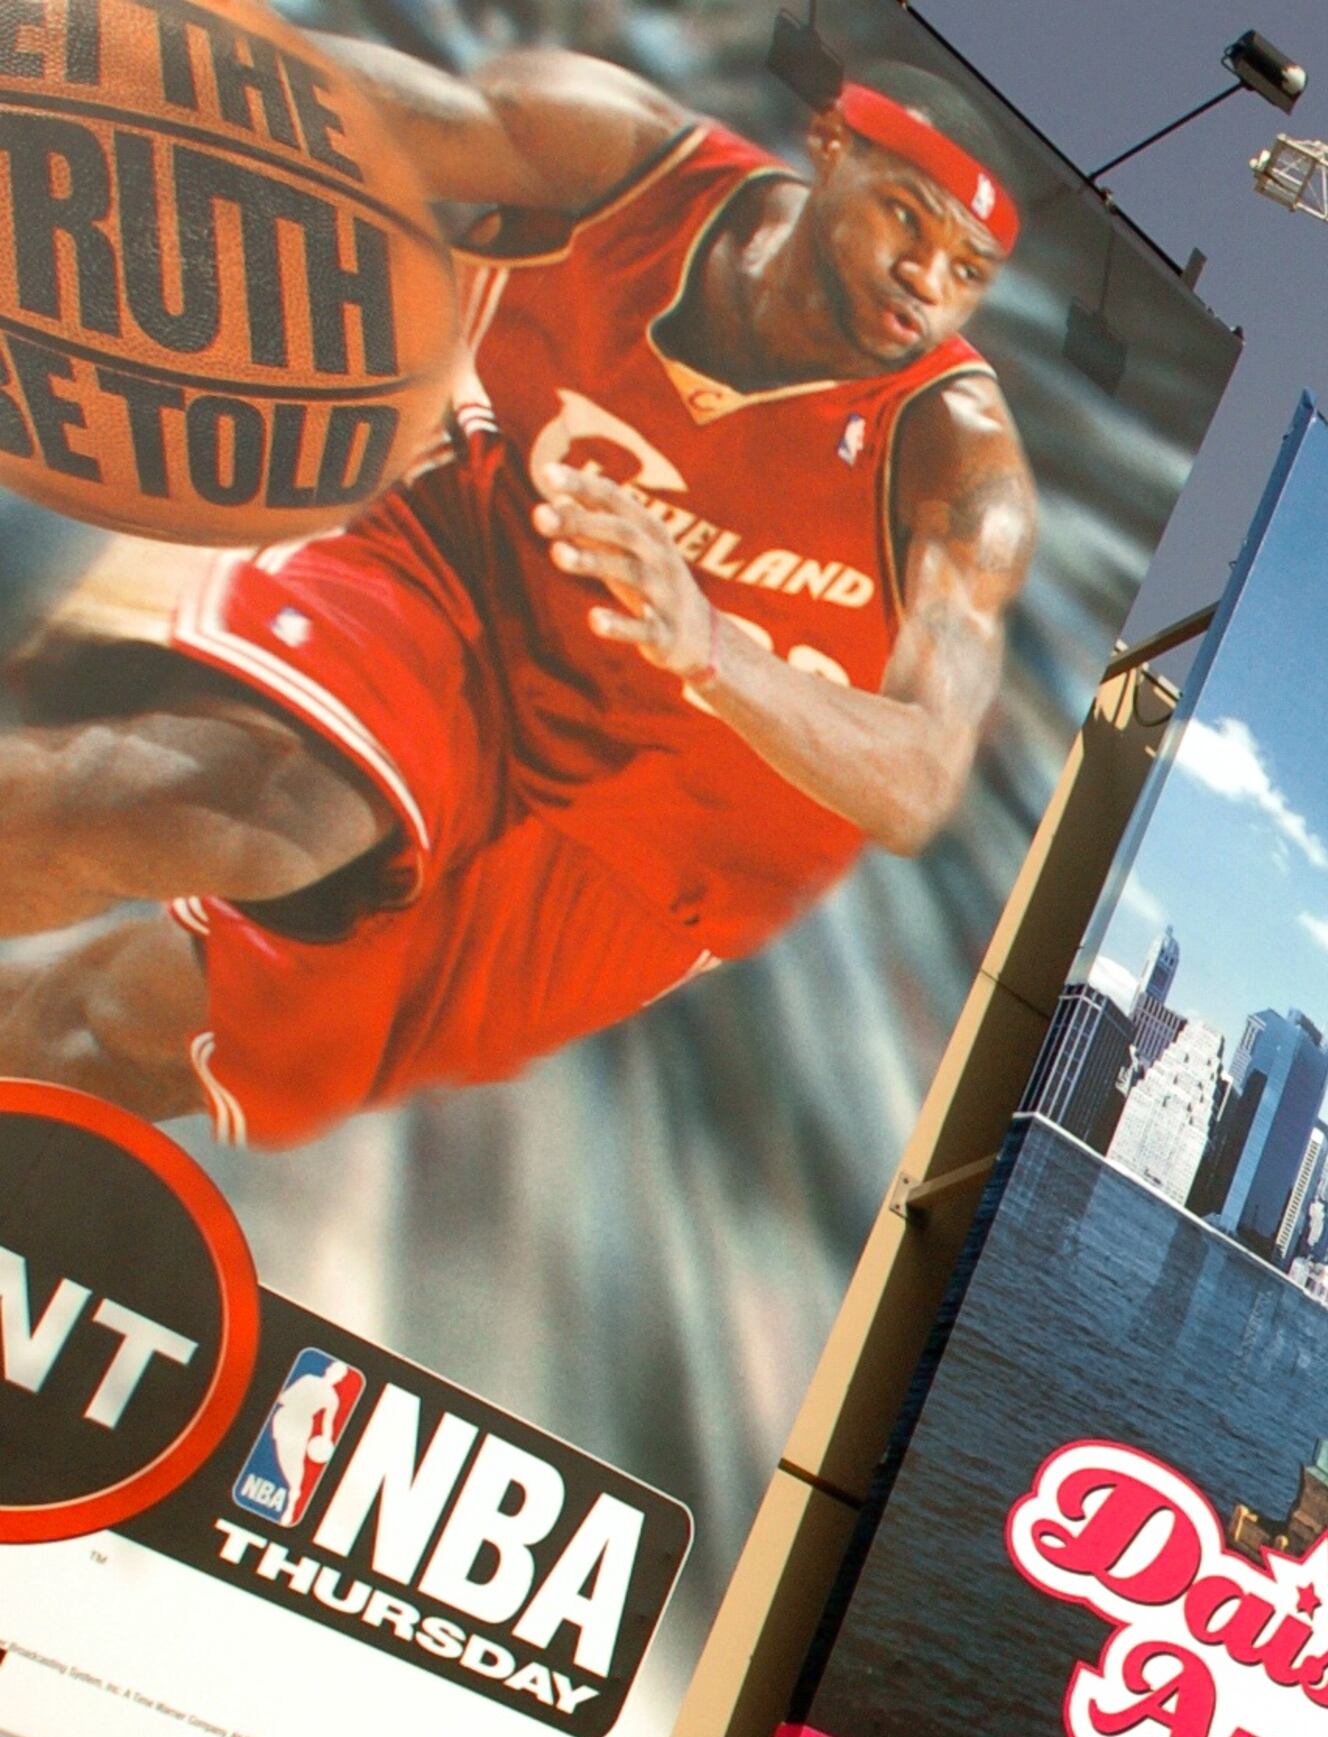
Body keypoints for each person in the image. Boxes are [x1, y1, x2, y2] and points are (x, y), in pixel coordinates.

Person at [0, 39, 1040, 1143]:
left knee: (118, 1036)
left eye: (965, 268)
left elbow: (923, 776)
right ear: (829, 145)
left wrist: (712, 645)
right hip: (458, 589)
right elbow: (291, 93)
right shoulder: (621, 166)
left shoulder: (960, 464)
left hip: (646, 840)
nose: (927, 280)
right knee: (224, 801)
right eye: (906, 220)